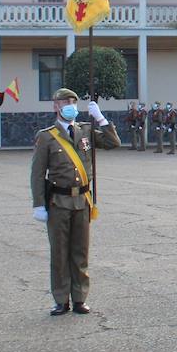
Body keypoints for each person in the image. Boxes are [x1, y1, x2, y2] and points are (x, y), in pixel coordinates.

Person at [30, 88, 120, 315]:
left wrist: (101, 119)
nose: (69, 105)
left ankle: (79, 297)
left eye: (73, 101)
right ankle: (61, 299)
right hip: (58, 201)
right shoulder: (46, 136)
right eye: (64, 101)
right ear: (55, 106)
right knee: (60, 252)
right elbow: (37, 173)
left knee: (80, 251)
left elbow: (113, 143)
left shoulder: (86, 131)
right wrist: (38, 203)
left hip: (82, 200)